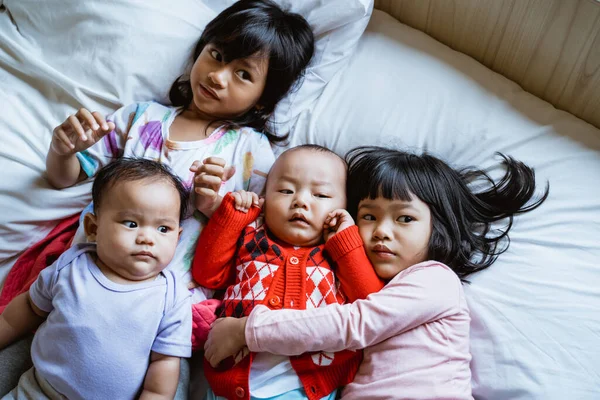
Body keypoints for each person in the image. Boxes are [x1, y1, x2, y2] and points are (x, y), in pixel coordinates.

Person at [202, 146, 550, 400]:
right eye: (368, 216)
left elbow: (354, 323)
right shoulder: (359, 280)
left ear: (438, 227)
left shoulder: (435, 279)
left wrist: (248, 329)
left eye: (405, 218)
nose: (382, 231)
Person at [45, 0, 315, 293]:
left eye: (244, 74)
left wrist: (215, 206)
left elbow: (255, 237)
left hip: (169, 299)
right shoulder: (140, 118)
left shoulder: (251, 151)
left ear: (264, 98)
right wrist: (63, 150)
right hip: (85, 278)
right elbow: (64, 178)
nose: (218, 76)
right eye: (217, 55)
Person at [192, 145, 385, 400]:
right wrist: (232, 218)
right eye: (285, 191)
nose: (301, 201)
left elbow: (371, 302)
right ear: (265, 198)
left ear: (344, 207)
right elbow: (208, 275)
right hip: (232, 379)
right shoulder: (251, 236)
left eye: (321, 195)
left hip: (304, 385)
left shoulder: (337, 251)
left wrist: (345, 241)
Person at [0, 158, 193, 400]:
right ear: (93, 228)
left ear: (178, 236)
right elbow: (29, 306)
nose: (147, 238)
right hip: (39, 390)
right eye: (131, 224)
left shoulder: (173, 298)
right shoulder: (72, 267)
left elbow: (164, 367)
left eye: (163, 229)